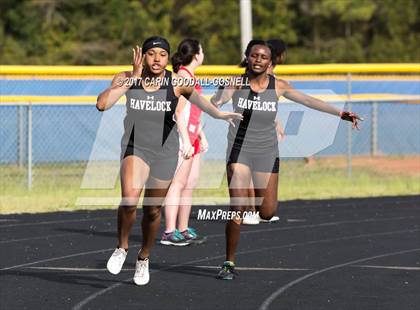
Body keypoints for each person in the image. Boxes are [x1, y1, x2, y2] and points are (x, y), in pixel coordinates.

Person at [96, 36, 242, 285]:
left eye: (162, 55)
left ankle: (144, 257)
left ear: (167, 58)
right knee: (129, 200)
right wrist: (132, 76)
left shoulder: (176, 82)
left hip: (164, 151)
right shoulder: (126, 77)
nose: (156, 59)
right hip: (135, 148)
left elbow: (201, 104)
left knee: (152, 210)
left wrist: (220, 115)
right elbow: (102, 104)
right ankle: (122, 247)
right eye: (151, 54)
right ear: (143, 56)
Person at [211, 39, 361, 280]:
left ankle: (258, 213)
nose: (258, 60)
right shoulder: (236, 82)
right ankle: (228, 262)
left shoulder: (278, 86)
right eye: (254, 55)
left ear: (270, 62)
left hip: (266, 152)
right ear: (247, 57)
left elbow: (309, 101)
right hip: (239, 150)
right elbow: (217, 101)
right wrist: (219, 107)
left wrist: (341, 113)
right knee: (237, 207)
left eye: (263, 57)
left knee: (267, 212)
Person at [161, 39, 208, 246]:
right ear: (196, 55)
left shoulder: (191, 77)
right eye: (202, 50)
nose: (204, 53)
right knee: (177, 184)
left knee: (189, 184)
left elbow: (194, 112)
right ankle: (169, 232)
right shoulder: (182, 77)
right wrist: (186, 140)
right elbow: (178, 113)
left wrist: (200, 135)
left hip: (192, 136)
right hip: (181, 138)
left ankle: (183, 228)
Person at [242, 39, 286, 225]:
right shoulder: (256, 75)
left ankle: (260, 209)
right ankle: (249, 210)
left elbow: (266, 104)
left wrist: (275, 121)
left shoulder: (273, 78)